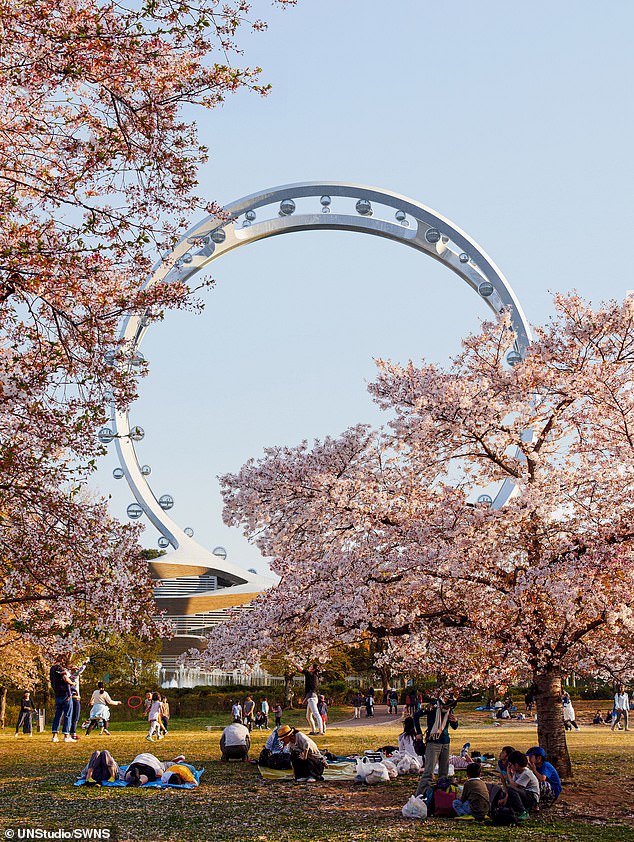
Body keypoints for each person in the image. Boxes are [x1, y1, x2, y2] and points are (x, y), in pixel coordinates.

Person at [415, 696, 459, 796]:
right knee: (428, 772)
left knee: (444, 773)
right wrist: (418, 732)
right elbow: (416, 715)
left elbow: (454, 727)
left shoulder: (449, 710)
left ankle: (440, 796)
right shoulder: (433, 706)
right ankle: (420, 795)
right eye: (447, 706)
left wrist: (455, 721)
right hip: (433, 741)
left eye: (450, 707)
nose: (448, 709)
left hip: (445, 741)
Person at [502, 750, 540, 818]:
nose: (510, 767)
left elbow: (513, 786)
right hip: (523, 794)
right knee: (505, 793)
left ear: (516, 765)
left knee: (511, 789)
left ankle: (523, 811)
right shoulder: (517, 772)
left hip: (531, 797)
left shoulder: (526, 773)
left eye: (511, 765)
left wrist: (508, 773)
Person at [50, 654, 75, 743]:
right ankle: (66, 735)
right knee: (67, 715)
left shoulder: (52, 669)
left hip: (57, 694)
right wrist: (72, 683)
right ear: (63, 661)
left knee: (57, 715)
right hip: (65, 694)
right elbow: (65, 678)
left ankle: (54, 735)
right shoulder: (60, 669)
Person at [68, 660, 89, 742]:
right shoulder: (73, 677)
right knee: (75, 716)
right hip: (75, 698)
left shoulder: (70, 677)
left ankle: (71, 732)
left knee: (72, 716)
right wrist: (84, 664)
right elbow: (80, 671)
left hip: (73, 698)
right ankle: (72, 733)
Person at [302, 665, 324, 735]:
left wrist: (295, 663)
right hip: (312, 698)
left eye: (311, 666)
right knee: (308, 716)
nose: (309, 667)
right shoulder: (315, 677)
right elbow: (312, 689)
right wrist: (306, 698)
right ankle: (313, 730)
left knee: (316, 714)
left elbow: (301, 670)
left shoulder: (311, 675)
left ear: (313, 669)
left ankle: (321, 731)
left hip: (312, 699)